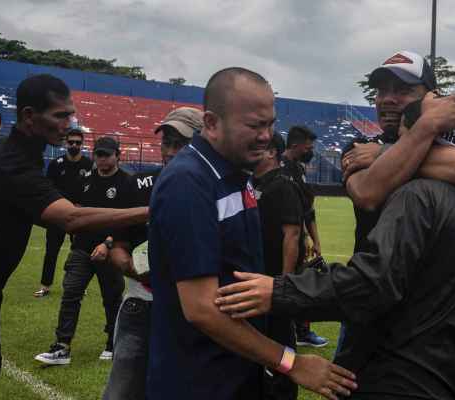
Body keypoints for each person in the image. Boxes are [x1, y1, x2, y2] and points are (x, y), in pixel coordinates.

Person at [214, 128, 455, 399]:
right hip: (450, 373)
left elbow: (372, 284)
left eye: (404, 139)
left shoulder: (419, 195)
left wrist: (279, 291)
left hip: (400, 376)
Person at [0, 74, 148, 400]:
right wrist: (151, 210)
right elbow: (71, 218)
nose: (69, 125)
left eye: (71, 114)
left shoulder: (14, 149)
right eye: (60, 115)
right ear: (30, 116)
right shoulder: (11, 162)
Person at [146, 67, 356, 400]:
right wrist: (290, 361)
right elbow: (201, 308)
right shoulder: (188, 182)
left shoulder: (237, 170)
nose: (266, 136)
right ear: (212, 123)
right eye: (255, 125)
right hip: (199, 381)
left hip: (239, 371)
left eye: (270, 124)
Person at [336, 49, 455, 364]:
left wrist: (384, 154)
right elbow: (368, 192)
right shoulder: (356, 148)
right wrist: (424, 131)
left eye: (403, 90)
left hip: (437, 320)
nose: (387, 99)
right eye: (381, 90)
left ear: (432, 98)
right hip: (373, 312)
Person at [102, 106, 203, 400]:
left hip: (194, 308)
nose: (170, 152)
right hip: (143, 302)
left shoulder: (215, 189)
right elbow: (118, 249)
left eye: (180, 144)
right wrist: (139, 271)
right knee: (122, 391)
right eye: (166, 143)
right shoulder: (137, 185)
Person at [35, 136, 138, 365]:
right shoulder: (87, 180)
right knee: (70, 294)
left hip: (110, 251)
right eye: (98, 154)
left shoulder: (127, 182)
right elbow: (78, 209)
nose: (102, 159)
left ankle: (112, 343)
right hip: (81, 248)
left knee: (111, 299)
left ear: (117, 155)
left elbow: (129, 222)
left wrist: (108, 244)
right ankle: (62, 346)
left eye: (107, 155)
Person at [253, 132, 304, 400]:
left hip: (275, 286)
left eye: (258, 146)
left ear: (272, 152)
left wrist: (284, 284)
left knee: (280, 347)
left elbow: (292, 235)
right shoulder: (252, 182)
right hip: (254, 281)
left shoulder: (283, 185)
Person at [281, 125, 328, 348]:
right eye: (309, 147)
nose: (311, 151)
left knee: (303, 281)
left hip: (299, 238)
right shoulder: (281, 169)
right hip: (286, 238)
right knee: (291, 283)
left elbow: (308, 210)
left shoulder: (298, 169)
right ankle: (289, 330)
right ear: (295, 145)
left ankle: (301, 330)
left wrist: (315, 241)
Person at [34, 125, 93, 297]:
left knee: (80, 251)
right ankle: (45, 285)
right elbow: (47, 188)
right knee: (51, 250)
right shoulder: (55, 164)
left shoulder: (89, 165)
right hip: (59, 215)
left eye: (77, 142)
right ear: (65, 143)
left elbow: (92, 189)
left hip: (80, 215)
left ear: (82, 144)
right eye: (71, 142)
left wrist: (82, 206)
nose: (74, 145)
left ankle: (79, 285)